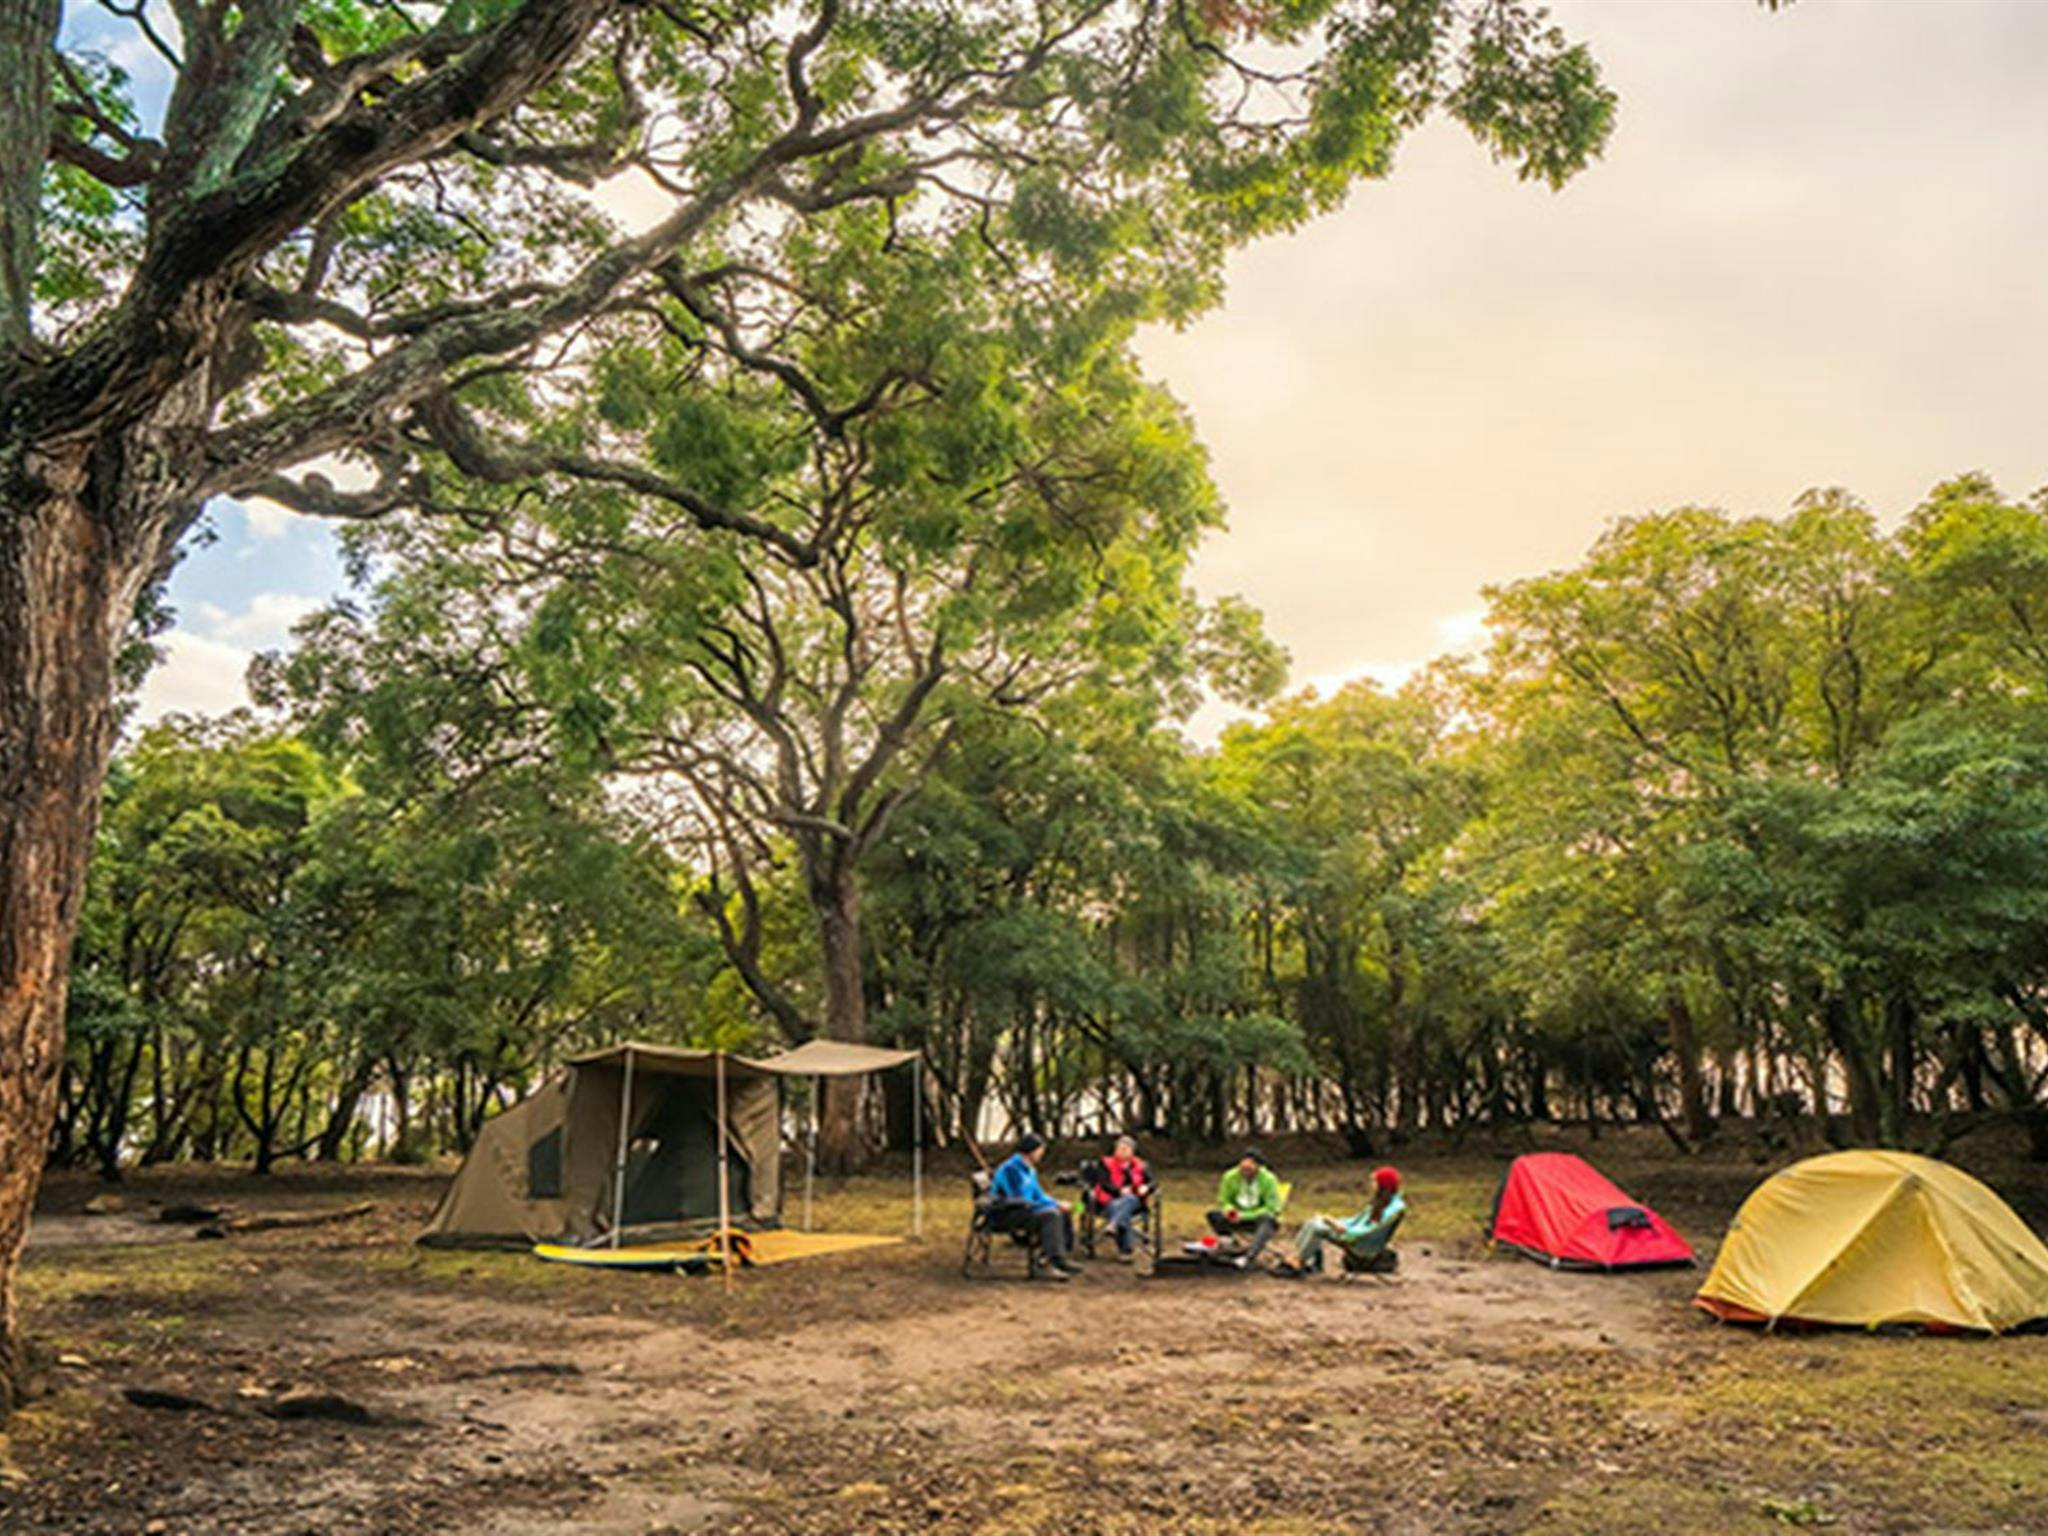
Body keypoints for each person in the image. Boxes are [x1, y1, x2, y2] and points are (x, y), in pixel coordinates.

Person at [1281, 1166, 1405, 1275]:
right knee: (1312, 1221)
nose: (1372, 1184)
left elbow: (1369, 1229)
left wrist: (1340, 1227)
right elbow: (1357, 1220)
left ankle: (1299, 1262)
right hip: (1352, 1233)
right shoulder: (1381, 1202)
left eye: (1375, 1181)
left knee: (1316, 1228)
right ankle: (1297, 1257)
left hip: (1358, 1241)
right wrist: (1336, 1221)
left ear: (1383, 1185)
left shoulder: (1392, 1208)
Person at [989, 1132, 1081, 1280]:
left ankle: (1054, 1257)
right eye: (1040, 1150)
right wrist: (1051, 1206)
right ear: (1030, 1150)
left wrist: (1057, 1203)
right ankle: (1053, 1260)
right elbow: (1019, 1199)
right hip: (1005, 1212)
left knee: (1061, 1212)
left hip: (1025, 1209)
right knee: (1051, 1215)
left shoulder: (1030, 1170)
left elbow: (1038, 1195)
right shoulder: (1011, 1170)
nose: (1042, 1154)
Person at [1206, 1149, 1284, 1267]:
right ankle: (1230, 1245)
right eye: (1243, 1168)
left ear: (1258, 1167)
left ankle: (1249, 1256)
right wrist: (1230, 1211)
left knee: (1268, 1219)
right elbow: (1223, 1200)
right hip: (1236, 1217)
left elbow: (1273, 1208)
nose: (1245, 1172)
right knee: (1213, 1215)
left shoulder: (1269, 1179)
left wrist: (1244, 1215)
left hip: (1257, 1219)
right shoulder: (1229, 1176)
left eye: (1250, 1169)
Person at [1090, 1134, 1155, 1262]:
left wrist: (1146, 1188)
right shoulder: (1105, 1164)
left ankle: (1114, 1225)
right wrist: (1119, 1191)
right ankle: (1125, 1250)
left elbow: (1153, 1183)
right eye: (1120, 1148)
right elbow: (1103, 1183)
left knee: (1129, 1200)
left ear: (1132, 1151)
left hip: (1135, 1202)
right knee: (1121, 1206)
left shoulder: (1141, 1166)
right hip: (1110, 1200)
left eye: (1126, 1148)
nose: (1122, 1151)